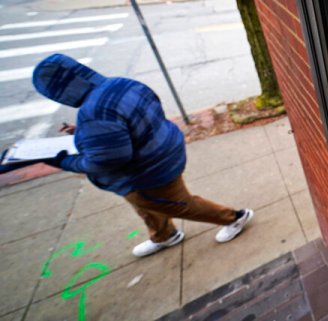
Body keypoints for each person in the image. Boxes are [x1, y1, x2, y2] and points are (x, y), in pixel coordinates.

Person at [31, 54, 253, 258]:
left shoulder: (94, 113)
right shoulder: (121, 84)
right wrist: (85, 132)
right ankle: (164, 236)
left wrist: (63, 161)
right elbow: (131, 120)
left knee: (176, 204)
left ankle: (235, 217)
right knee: (147, 205)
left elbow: (106, 161)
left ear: (57, 92)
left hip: (148, 171)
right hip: (163, 151)